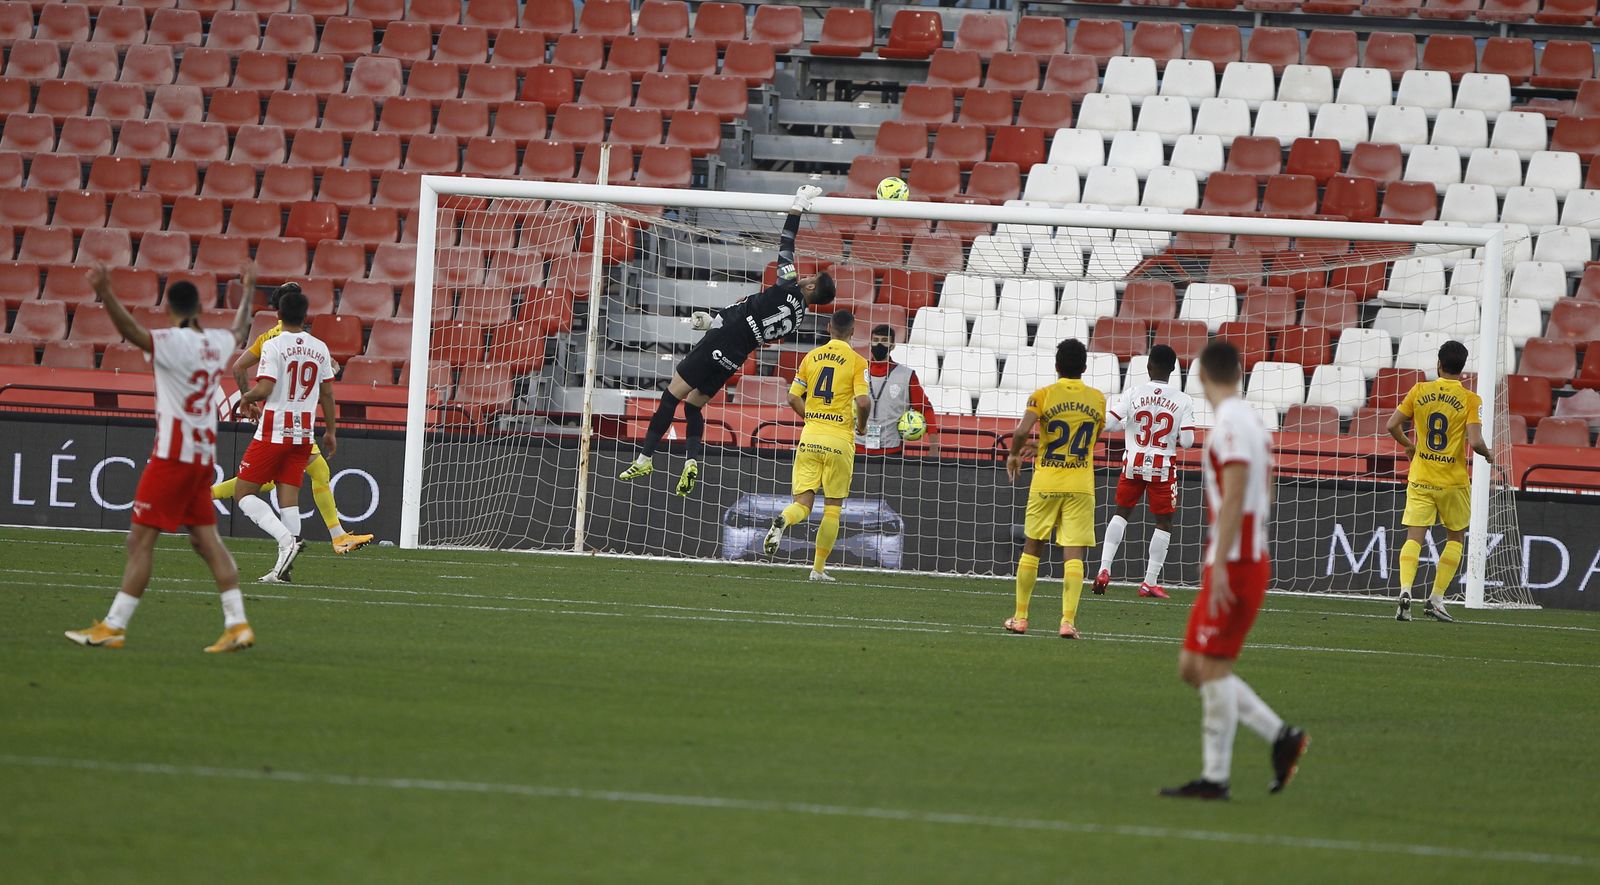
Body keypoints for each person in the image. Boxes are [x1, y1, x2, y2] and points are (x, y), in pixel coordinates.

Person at [66, 268, 255, 653]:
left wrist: (105, 293)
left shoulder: (169, 341)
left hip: (172, 457)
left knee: (140, 541)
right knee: (206, 541)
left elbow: (133, 333)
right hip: (202, 458)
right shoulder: (216, 342)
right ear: (200, 307)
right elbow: (239, 330)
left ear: (169, 308)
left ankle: (115, 626)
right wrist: (249, 291)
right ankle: (236, 624)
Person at [1161, 341, 1307, 800]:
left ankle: (1216, 777)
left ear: (1201, 375)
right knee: (1193, 665)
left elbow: (1239, 488)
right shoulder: (1251, 420)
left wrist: (1222, 560)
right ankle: (1280, 736)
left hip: (1236, 562)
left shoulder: (1229, 422)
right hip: (1238, 557)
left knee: (1212, 667)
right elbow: (1264, 489)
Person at [620, 185, 835, 496]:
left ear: (812, 287)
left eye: (811, 279)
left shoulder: (788, 286)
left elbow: (786, 242)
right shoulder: (799, 318)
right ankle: (692, 461)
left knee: (670, 398)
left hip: (722, 340)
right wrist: (715, 322)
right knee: (693, 407)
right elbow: (756, 323)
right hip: (736, 356)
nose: (805, 276)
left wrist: (798, 205)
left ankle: (644, 458)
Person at [211, 281, 374, 556]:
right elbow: (324, 389)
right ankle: (324, 537)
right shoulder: (294, 341)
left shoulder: (269, 338)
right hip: (291, 425)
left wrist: (247, 398)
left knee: (283, 479)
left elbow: (239, 366)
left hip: (280, 423)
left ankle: (322, 539)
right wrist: (251, 400)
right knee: (268, 483)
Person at [231, 285, 339, 584]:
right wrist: (330, 431)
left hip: (274, 431)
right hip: (304, 434)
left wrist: (246, 398)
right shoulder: (320, 347)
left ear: (278, 314)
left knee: (243, 493)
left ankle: (286, 541)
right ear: (306, 316)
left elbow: (264, 388)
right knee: (288, 497)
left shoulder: (273, 344)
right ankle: (283, 570)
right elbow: (327, 394)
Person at [1385, 340, 1493, 623]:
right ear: (1463, 368)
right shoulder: (1471, 400)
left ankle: (1405, 590)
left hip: (1421, 477)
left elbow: (1392, 425)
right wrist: (1488, 454)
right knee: (1455, 537)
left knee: (1414, 538)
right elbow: (1476, 441)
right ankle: (1435, 599)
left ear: (1438, 363)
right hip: (1453, 483)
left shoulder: (1419, 390)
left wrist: (1409, 446)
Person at [1003, 338, 1105, 639]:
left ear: (1056, 366)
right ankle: (1067, 622)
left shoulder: (1043, 395)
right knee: (1074, 552)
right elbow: (1088, 437)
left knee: (1033, 544)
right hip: (1080, 484)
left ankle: (1021, 617)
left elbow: (1021, 430)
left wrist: (1014, 453)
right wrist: (1045, 443)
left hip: (1046, 481)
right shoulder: (1098, 399)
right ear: (1084, 367)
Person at [762, 310, 870, 582]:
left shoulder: (811, 357)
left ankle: (784, 519)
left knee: (803, 503)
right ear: (853, 330)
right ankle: (818, 569)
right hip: (839, 439)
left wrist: (812, 417)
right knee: (832, 507)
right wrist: (861, 426)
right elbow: (864, 402)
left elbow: (791, 397)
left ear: (828, 328)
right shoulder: (858, 362)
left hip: (810, 437)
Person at [1095, 344, 1196, 600]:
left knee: (1121, 514)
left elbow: (1112, 423)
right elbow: (1187, 441)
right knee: (1163, 522)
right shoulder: (1183, 400)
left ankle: (1104, 568)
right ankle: (1149, 582)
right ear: (1174, 369)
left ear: (1149, 366)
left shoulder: (1133, 392)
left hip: (1132, 464)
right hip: (1162, 468)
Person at [856, 324, 939, 456]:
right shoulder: (858, 370)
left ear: (893, 345)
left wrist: (934, 446)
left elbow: (925, 408)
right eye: (876, 340)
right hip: (856, 447)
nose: (879, 345)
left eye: (884, 341)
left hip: (891, 449)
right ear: (870, 343)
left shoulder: (906, 376)